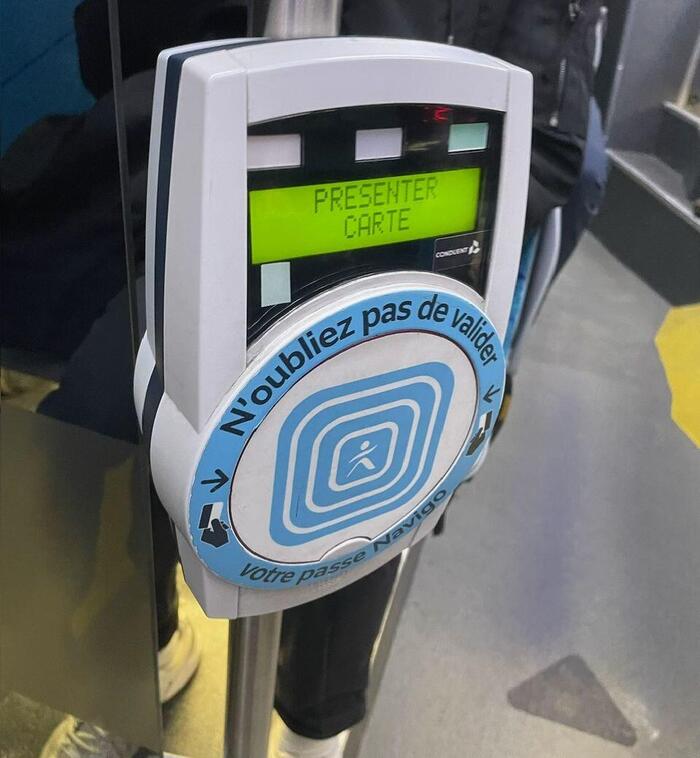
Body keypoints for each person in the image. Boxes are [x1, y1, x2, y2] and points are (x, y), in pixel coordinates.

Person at [0, 1, 602, 756]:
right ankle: (142, 661)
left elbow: (552, 147)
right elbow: (110, 56)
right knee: (94, 428)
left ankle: (313, 725)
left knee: (378, 502)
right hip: (207, 230)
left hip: (413, 255)